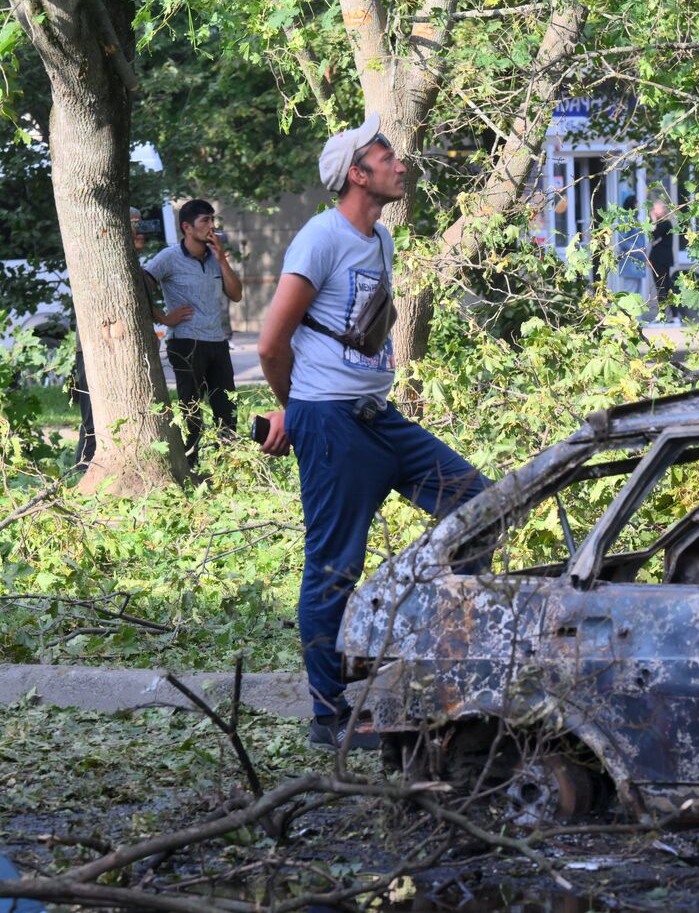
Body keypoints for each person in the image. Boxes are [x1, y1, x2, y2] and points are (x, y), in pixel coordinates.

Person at [257, 112, 491, 750]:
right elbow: (272, 343)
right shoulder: (319, 240)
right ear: (358, 174)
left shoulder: (380, 240)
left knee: (480, 503)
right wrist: (298, 412)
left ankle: (437, 652)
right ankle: (328, 717)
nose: (400, 162)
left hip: (379, 420)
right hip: (331, 423)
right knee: (333, 567)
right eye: (387, 155)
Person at [72, 208, 192, 472]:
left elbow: (143, 304)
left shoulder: (132, 266)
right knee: (93, 416)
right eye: (133, 223)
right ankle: (82, 470)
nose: (139, 230)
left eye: (139, 223)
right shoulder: (99, 263)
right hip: (95, 350)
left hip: (126, 350)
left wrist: (158, 326)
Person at [143, 199, 242, 468]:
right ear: (187, 227)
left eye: (213, 220)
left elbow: (236, 294)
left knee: (226, 407)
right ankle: (190, 464)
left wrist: (222, 259)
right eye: (205, 221)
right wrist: (163, 317)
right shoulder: (169, 257)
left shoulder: (215, 257)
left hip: (217, 342)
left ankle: (230, 465)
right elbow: (140, 285)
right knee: (191, 408)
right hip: (186, 342)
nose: (212, 226)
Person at [647, 199, 676, 321]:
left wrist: (653, 220)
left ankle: (665, 316)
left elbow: (653, 236)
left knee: (663, 287)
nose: (653, 211)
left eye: (655, 208)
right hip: (657, 259)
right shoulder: (660, 224)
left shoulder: (666, 224)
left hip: (661, 260)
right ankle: (670, 316)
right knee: (664, 287)